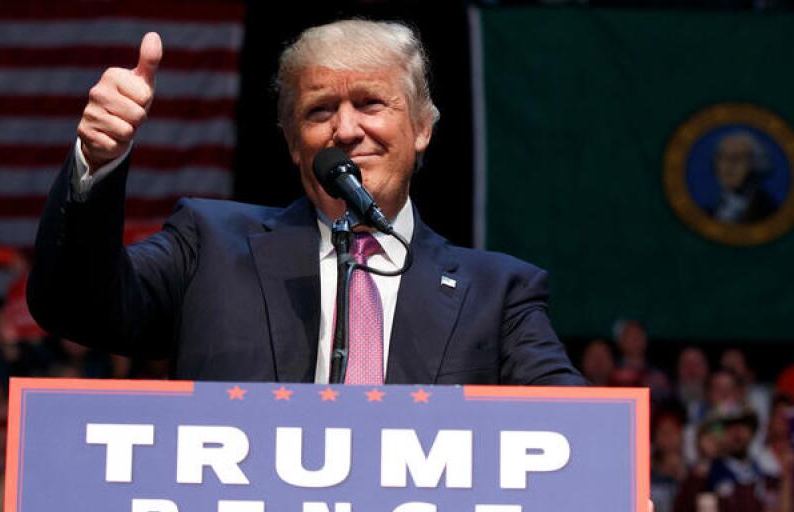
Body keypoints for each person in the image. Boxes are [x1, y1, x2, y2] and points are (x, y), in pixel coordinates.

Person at [28, 19, 584, 387]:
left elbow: (576, 434)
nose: (346, 129)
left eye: (370, 103)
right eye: (319, 111)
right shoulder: (210, 247)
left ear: (421, 128)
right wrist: (96, 162)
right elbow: (75, 305)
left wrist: (617, 493)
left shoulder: (499, 294)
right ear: (294, 143)